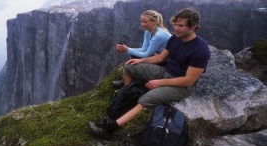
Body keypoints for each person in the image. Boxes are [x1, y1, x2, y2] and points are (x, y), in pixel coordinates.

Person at [89, 8, 211, 138]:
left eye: (181, 25)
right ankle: (127, 93)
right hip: (166, 71)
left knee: (146, 99)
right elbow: (160, 58)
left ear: (193, 27)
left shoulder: (201, 50)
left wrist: (159, 82)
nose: (176, 28)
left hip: (181, 86)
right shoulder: (175, 39)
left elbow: (188, 80)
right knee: (129, 67)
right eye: (175, 24)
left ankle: (110, 129)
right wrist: (141, 61)